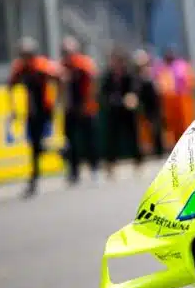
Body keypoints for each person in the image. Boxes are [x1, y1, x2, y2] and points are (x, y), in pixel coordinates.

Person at [7, 37, 60, 198]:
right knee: (34, 145)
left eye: (27, 55)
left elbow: (59, 77)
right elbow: (10, 86)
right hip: (31, 111)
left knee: (37, 144)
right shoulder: (20, 69)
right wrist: (13, 109)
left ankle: (34, 178)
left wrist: (57, 101)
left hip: (44, 110)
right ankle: (57, 153)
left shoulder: (41, 66)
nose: (25, 58)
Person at [60, 36, 99, 184]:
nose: (66, 55)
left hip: (86, 108)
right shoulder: (62, 67)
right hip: (70, 109)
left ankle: (94, 168)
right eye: (64, 52)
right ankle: (74, 171)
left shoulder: (83, 64)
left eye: (68, 52)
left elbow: (92, 83)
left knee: (89, 139)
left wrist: (86, 104)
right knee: (70, 141)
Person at [100, 47, 142, 177]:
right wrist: (111, 100)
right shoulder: (108, 76)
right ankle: (111, 164)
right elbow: (104, 93)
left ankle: (138, 161)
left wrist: (131, 97)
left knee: (133, 136)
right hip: (114, 110)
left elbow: (134, 90)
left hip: (127, 110)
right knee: (112, 138)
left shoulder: (128, 75)